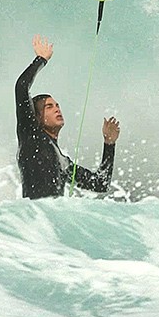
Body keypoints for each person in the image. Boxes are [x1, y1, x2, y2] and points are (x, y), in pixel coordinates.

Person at [14, 34, 121, 199]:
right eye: (49, 107)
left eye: (57, 105)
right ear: (36, 117)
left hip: (52, 220)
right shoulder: (30, 135)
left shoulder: (63, 162)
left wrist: (109, 144)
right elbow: (22, 87)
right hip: (35, 218)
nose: (57, 109)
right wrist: (41, 59)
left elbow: (101, 184)